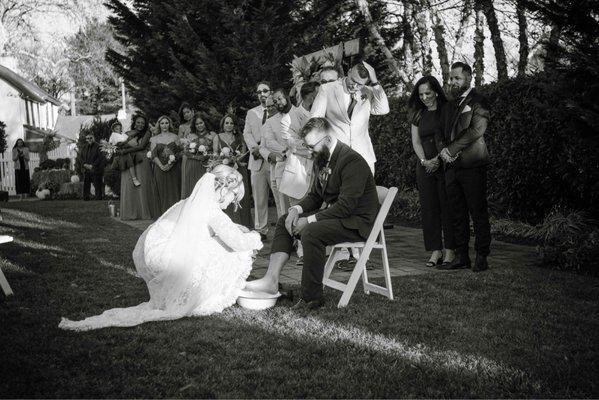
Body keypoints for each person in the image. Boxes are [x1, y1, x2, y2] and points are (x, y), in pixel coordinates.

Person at [59, 165, 263, 331]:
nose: (232, 204)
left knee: (220, 242)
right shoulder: (213, 210)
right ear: (223, 190)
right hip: (169, 262)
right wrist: (254, 236)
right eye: (233, 198)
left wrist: (234, 231)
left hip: (153, 256)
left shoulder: (189, 202)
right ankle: (212, 294)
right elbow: (237, 242)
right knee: (240, 250)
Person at [245, 117, 379, 310]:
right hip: (339, 217)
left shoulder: (352, 161)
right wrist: (296, 210)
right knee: (285, 221)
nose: (309, 151)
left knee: (311, 232)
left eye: (311, 146)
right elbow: (316, 195)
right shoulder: (323, 157)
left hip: (357, 223)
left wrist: (309, 220)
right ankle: (271, 280)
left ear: (327, 139)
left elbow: (345, 207)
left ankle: (311, 298)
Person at [438, 62, 491, 272]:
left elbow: (476, 130)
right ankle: (462, 256)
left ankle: (482, 255)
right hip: (451, 167)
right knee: (456, 213)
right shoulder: (449, 105)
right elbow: (439, 131)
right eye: (451, 78)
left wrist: (451, 150)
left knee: (477, 211)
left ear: (468, 78)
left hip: (473, 165)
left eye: (457, 78)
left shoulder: (479, 101)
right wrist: (443, 150)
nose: (452, 82)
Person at [408, 76, 455, 268]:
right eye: (421, 94)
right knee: (429, 209)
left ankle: (451, 250)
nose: (425, 97)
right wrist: (424, 161)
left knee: (447, 208)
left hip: (445, 164)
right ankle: (436, 250)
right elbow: (416, 142)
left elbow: (453, 137)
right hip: (425, 166)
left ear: (436, 90)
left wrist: (437, 160)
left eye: (428, 93)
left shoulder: (447, 110)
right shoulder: (418, 114)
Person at [311, 61, 389, 174]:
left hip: (364, 156)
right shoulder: (327, 89)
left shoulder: (367, 91)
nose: (355, 86)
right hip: (336, 157)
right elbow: (315, 122)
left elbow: (383, 109)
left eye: (360, 84)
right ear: (348, 72)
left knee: (366, 191)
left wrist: (375, 82)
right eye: (353, 80)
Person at [243, 81, 272, 238]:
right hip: (256, 159)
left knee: (280, 196)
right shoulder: (251, 112)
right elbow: (246, 133)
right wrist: (254, 148)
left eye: (265, 91)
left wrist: (265, 149)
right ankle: (261, 229)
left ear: (271, 92)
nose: (262, 94)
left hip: (273, 158)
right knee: (259, 198)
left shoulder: (276, 111)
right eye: (259, 92)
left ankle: (284, 231)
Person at [214, 114, 253, 229]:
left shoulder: (240, 138)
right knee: (225, 196)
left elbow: (243, 153)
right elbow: (215, 154)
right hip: (224, 172)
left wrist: (235, 159)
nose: (229, 125)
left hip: (238, 170)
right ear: (223, 124)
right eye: (227, 123)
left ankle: (242, 223)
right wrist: (223, 160)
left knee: (239, 196)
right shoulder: (218, 137)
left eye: (231, 123)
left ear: (234, 125)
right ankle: (226, 226)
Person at [119, 113, 160, 220]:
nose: (140, 125)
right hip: (129, 160)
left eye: (142, 123)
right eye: (138, 122)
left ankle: (143, 212)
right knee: (129, 185)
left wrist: (125, 150)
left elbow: (141, 146)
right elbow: (121, 144)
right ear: (134, 123)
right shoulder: (128, 133)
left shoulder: (147, 133)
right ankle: (131, 212)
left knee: (142, 185)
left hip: (142, 160)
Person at [259, 93, 288, 218]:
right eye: (268, 107)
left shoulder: (289, 117)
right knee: (279, 203)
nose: (270, 108)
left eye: (272, 105)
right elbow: (262, 147)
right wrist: (269, 155)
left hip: (291, 164)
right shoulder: (266, 124)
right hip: (275, 166)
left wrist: (285, 153)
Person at [150, 115, 181, 214]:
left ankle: (175, 214)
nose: (164, 125)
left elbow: (179, 153)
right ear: (159, 125)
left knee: (174, 190)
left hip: (174, 168)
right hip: (159, 168)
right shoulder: (154, 139)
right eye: (162, 123)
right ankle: (161, 214)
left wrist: (171, 164)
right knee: (161, 190)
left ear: (169, 124)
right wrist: (162, 166)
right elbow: (153, 155)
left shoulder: (175, 137)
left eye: (166, 123)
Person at [180, 114, 216, 199]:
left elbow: (215, 152)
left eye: (201, 123)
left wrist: (207, 154)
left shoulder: (213, 135)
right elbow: (185, 152)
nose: (199, 125)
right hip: (192, 165)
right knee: (193, 190)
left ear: (205, 122)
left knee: (206, 192)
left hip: (207, 166)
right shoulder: (190, 135)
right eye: (197, 124)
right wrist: (196, 156)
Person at [109, 120, 143, 188]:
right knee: (129, 160)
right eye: (116, 128)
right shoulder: (113, 135)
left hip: (126, 147)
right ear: (113, 129)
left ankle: (135, 177)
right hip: (120, 147)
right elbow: (114, 144)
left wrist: (130, 140)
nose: (118, 129)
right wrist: (127, 141)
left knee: (133, 154)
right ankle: (134, 179)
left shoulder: (123, 134)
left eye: (119, 128)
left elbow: (128, 140)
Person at [76, 133, 104, 201]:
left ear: (93, 138)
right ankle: (86, 198)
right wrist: (84, 164)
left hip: (95, 168)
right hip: (86, 168)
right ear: (86, 139)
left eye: (91, 138)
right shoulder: (84, 147)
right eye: (88, 138)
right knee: (86, 184)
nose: (89, 140)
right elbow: (80, 157)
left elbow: (100, 158)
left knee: (97, 184)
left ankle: (98, 198)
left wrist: (92, 165)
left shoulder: (98, 146)